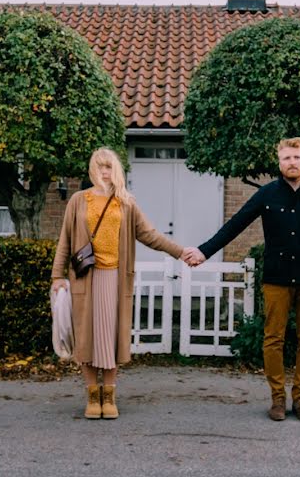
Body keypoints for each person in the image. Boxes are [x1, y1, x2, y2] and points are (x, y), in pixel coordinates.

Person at [182, 137, 300, 422]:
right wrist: (204, 251)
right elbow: (236, 224)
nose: (292, 162)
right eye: (287, 158)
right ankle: (278, 398)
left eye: (297, 157)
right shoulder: (267, 195)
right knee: (273, 339)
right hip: (276, 278)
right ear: (279, 162)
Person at [51, 148, 185, 420]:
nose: (104, 172)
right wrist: (57, 276)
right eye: (99, 167)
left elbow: (149, 235)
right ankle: (92, 395)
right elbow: (65, 240)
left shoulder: (126, 203)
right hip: (85, 280)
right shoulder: (78, 200)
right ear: (92, 170)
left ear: (117, 170)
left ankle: (109, 396)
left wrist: (180, 252)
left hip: (114, 279)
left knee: (112, 338)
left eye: (109, 167)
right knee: (86, 339)